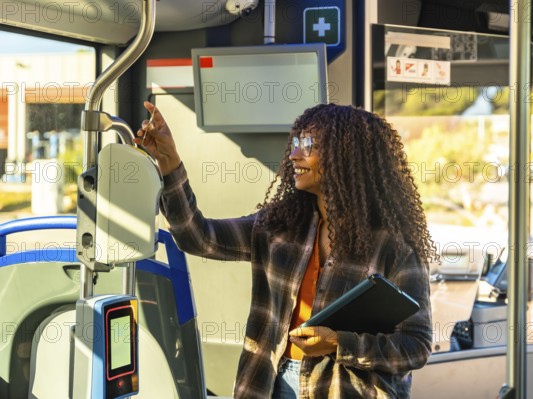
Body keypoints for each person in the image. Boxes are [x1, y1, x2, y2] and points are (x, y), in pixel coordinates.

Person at [135, 101, 434, 399]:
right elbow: (198, 237)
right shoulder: (277, 227)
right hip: (268, 383)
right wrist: (169, 163)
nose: (293, 155)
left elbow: (416, 346)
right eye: (295, 143)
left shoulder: (396, 248)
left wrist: (339, 344)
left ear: (347, 156)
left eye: (308, 145)